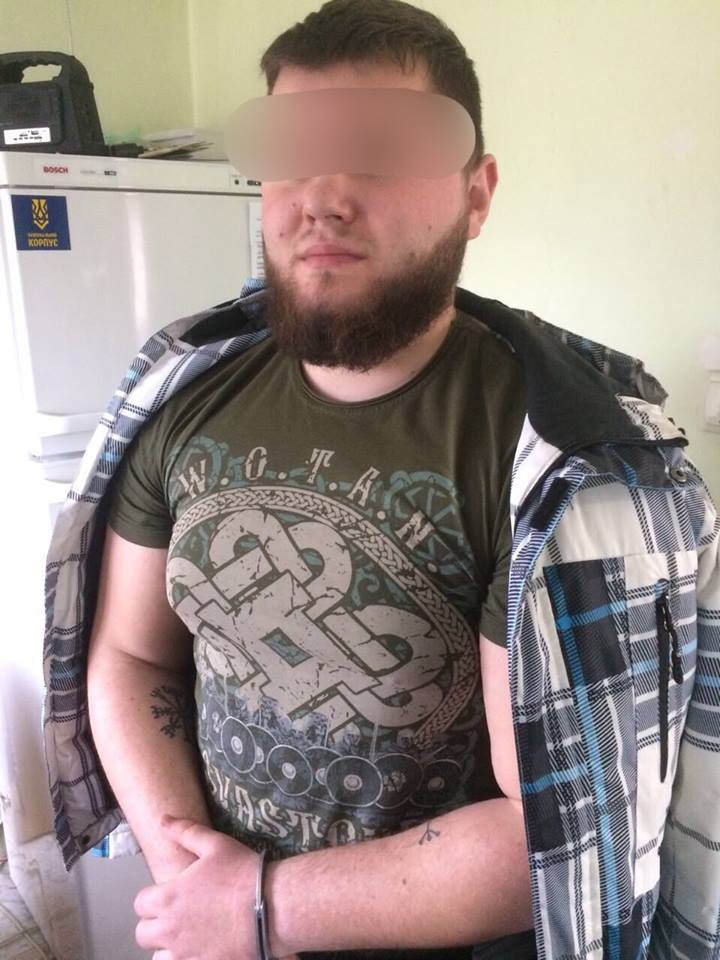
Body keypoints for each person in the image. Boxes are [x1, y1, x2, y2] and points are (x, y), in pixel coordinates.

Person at [42, 2, 720, 959]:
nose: (323, 196)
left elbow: (563, 834)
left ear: (476, 194)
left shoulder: (566, 468)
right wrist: (195, 881)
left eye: (378, 152)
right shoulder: (182, 395)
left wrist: (264, 910)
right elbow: (129, 655)